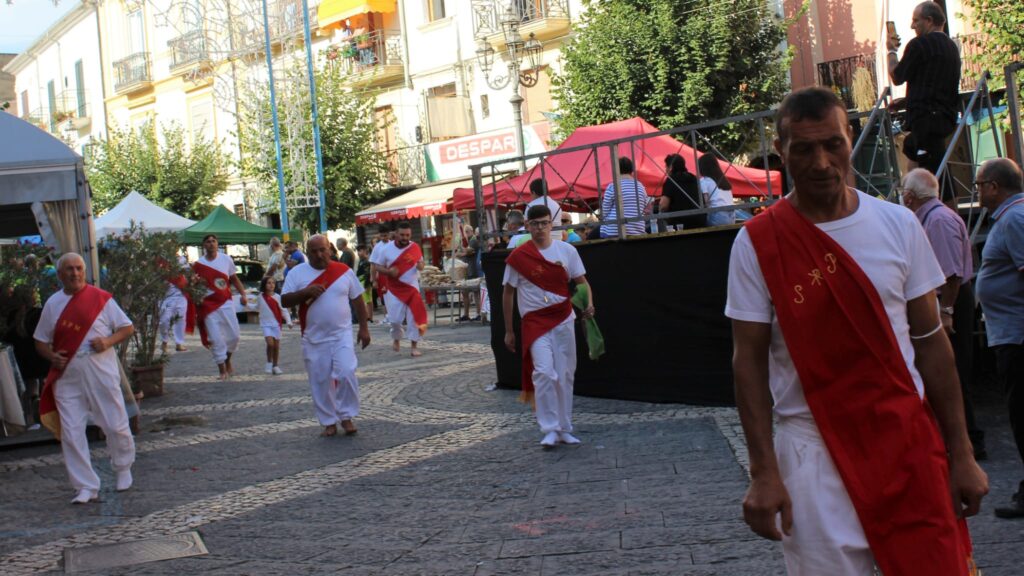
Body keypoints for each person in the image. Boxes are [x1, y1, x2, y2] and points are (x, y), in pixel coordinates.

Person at [726, 87, 987, 574]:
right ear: (781, 151)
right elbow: (749, 362)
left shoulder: (898, 225)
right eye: (803, 149)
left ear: (852, 139)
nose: (821, 162)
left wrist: (962, 452)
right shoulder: (757, 244)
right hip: (812, 450)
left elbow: (931, 346)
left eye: (833, 144)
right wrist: (764, 472)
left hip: (906, 442)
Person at [33, 253, 136, 504]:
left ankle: (123, 467)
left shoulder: (100, 299)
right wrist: (51, 356)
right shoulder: (52, 304)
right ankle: (85, 486)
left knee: (114, 423)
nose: (75, 273)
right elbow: (40, 341)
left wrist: (108, 341)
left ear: (84, 271)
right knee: (71, 431)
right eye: (69, 269)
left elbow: (127, 327)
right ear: (60, 275)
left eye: (79, 268)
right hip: (67, 373)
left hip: (99, 369)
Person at [902, 168, 985, 458]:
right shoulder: (935, 217)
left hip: (951, 302)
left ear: (910, 196)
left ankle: (968, 440)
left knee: (951, 371)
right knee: (951, 370)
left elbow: (950, 273)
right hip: (950, 300)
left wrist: (946, 312)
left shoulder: (936, 220)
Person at [503, 205, 595, 447]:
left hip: (563, 318)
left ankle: (565, 427)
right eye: (535, 224)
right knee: (543, 372)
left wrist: (589, 305)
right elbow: (508, 293)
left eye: (544, 223)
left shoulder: (567, 251)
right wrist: (509, 330)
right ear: (527, 225)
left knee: (565, 374)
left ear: (551, 224)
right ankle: (549, 428)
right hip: (535, 322)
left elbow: (581, 282)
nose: (540, 228)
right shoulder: (518, 257)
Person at [974, 158, 1024, 519]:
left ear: (994, 186)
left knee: (1021, 416)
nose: (976, 191)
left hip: (1018, 337)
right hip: (1010, 333)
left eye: (978, 184)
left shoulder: (1014, 219)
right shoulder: (1012, 217)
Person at [282, 235, 370, 437]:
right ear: (307, 252)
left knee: (347, 372)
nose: (319, 255)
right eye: (314, 251)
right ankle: (328, 421)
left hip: (342, 334)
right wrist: (306, 292)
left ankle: (346, 416)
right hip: (313, 338)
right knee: (320, 380)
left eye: (323, 250)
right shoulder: (297, 273)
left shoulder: (344, 271)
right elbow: (285, 301)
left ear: (329, 249)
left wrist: (364, 328)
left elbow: (357, 298)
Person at [888, 1, 961, 185]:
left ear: (929, 21)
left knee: (935, 178)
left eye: (915, 21)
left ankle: (945, 213)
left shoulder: (919, 44)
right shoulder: (951, 47)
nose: (912, 26)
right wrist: (906, 101)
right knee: (914, 156)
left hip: (925, 120)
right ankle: (914, 205)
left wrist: (891, 51)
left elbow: (897, 75)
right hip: (944, 117)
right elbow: (937, 85)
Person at [193, 234, 247, 380]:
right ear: (203, 245)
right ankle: (222, 369)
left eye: (213, 241)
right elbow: (192, 287)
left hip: (225, 301)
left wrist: (243, 294)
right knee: (216, 338)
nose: (211, 244)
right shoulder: (198, 265)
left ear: (217, 244)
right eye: (208, 242)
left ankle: (228, 359)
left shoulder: (226, 259)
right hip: (208, 305)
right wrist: (195, 284)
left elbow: (234, 278)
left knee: (234, 336)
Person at [374, 221, 428, 356]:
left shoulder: (414, 247)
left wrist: (419, 265)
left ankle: (414, 346)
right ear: (396, 234)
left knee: (413, 317)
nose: (405, 238)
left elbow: (421, 264)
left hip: (412, 287)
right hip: (395, 289)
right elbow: (377, 266)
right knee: (395, 319)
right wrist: (388, 272)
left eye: (408, 235)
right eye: (402, 235)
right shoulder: (386, 249)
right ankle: (396, 338)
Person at [600, 157, 649, 238]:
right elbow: (645, 208)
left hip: (614, 229)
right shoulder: (640, 187)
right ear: (632, 170)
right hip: (637, 230)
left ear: (616, 170)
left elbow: (605, 211)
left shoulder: (613, 186)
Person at [258, 276, 292, 375]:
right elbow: (256, 306)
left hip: (276, 324)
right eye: (269, 283)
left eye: (273, 283)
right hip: (265, 324)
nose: (271, 285)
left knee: (276, 346)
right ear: (264, 284)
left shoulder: (278, 297)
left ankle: (275, 366)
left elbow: (284, 311)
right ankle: (269, 362)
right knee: (270, 344)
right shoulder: (260, 297)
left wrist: (289, 321)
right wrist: (246, 305)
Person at [660, 154, 704, 230]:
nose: (665, 170)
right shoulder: (693, 178)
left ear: (670, 167)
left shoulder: (671, 180)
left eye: (666, 167)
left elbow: (663, 205)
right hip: (700, 221)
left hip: (680, 224)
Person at [158, 254, 190, 354]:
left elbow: (188, 272)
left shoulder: (181, 258)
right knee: (164, 320)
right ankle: (164, 341)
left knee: (180, 319)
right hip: (165, 296)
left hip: (180, 293)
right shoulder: (159, 259)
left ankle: (179, 343)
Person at [699, 153, 736, 226]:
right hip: (732, 214)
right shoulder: (723, 180)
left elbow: (706, 201)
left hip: (717, 214)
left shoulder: (704, 181)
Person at [457, 224, 480, 322]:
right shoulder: (470, 241)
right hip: (469, 269)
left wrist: (459, 253)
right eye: (465, 232)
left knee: (475, 292)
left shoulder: (473, 240)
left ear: (471, 231)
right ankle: (466, 314)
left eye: (467, 232)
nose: (466, 234)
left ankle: (478, 313)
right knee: (465, 292)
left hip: (473, 269)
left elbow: (468, 252)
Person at [369, 226, 391, 315]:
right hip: (383, 276)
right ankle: (388, 317)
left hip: (394, 274)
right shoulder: (377, 247)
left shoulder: (394, 244)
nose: (383, 238)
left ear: (389, 235)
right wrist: (374, 280)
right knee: (386, 297)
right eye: (382, 236)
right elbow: (373, 265)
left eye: (385, 235)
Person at [356, 244, 374, 322]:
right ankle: (368, 315)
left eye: (360, 251)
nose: (358, 253)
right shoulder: (361, 261)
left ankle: (369, 316)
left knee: (368, 300)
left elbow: (367, 273)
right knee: (366, 300)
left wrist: (367, 285)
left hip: (365, 282)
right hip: (361, 281)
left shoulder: (367, 261)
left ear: (365, 251)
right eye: (358, 251)